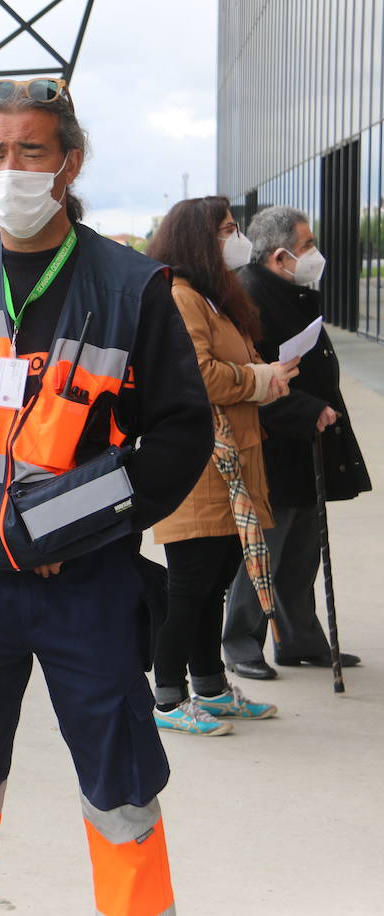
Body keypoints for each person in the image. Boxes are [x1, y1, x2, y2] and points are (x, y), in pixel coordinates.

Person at [0, 79, 213, 915]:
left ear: (69, 162)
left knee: (121, 788)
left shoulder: (134, 287)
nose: (11, 167)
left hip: (86, 590)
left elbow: (179, 435)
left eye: (31, 150)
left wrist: (76, 520)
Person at [147, 196, 296, 734]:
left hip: (231, 463)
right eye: (227, 230)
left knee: (213, 584)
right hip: (199, 464)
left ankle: (208, 686)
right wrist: (258, 380)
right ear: (197, 240)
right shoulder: (181, 297)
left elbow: (242, 361)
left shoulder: (213, 299)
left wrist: (270, 372)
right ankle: (166, 697)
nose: (238, 240)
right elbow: (199, 375)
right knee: (189, 585)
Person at [222, 205, 371, 678]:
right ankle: (242, 641)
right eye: (307, 246)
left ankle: (299, 637)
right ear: (281, 255)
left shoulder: (290, 290)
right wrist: (306, 409)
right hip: (274, 443)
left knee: (304, 547)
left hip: (308, 440)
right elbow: (251, 379)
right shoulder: (251, 298)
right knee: (264, 548)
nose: (314, 254)